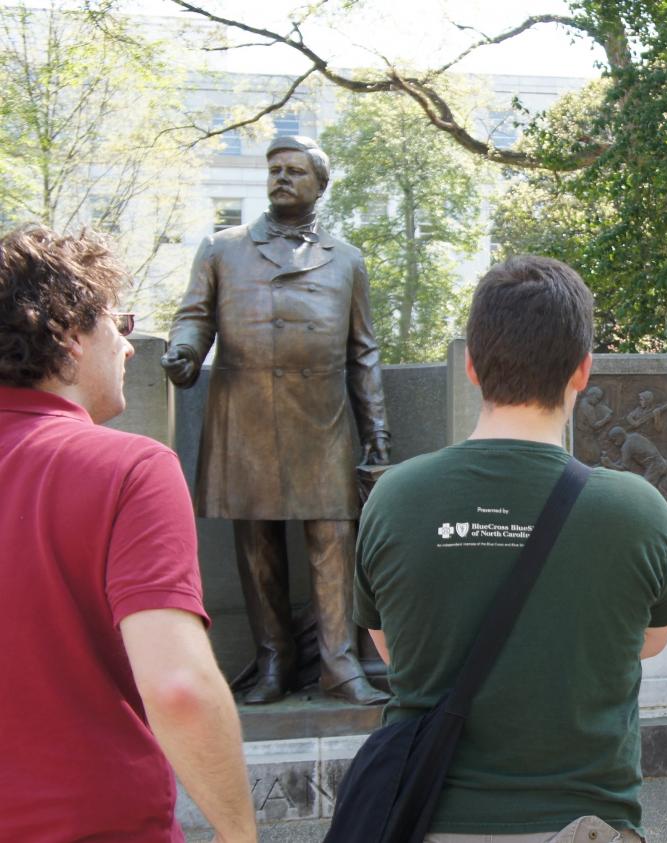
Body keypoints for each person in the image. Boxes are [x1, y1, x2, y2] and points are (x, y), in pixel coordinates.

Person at [353, 255, 667, 841]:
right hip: (584, 824)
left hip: (426, 817)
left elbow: (393, 649)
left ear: (474, 368)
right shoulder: (638, 510)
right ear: (583, 371)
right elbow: (650, 641)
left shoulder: (394, 497)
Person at [0, 225, 255, 842]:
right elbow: (178, 686)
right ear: (67, 331)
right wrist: (241, 835)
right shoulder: (130, 470)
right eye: (120, 323)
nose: (130, 346)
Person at [162, 134, 390, 705]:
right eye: (274, 170)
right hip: (246, 414)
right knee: (257, 544)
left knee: (334, 537)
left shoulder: (347, 259)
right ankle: (274, 662)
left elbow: (363, 352)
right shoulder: (222, 247)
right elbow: (194, 316)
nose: (281, 178)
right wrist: (186, 352)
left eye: (294, 170)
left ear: (320, 183)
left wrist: (378, 434)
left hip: (323, 418)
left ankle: (340, 664)